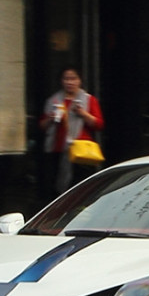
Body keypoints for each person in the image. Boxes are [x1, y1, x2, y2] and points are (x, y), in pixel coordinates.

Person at [38, 65, 104, 203]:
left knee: (80, 186)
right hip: (57, 149)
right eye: (66, 78)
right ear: (61, 81)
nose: (70, 82)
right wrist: (51, 118)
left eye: (73, 78)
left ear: (80, 81)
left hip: (80, 152)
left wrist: (83, 114)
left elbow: (99, 124)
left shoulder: (88, 100)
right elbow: (42, 126)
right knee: (56, 185)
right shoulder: (53, 101)